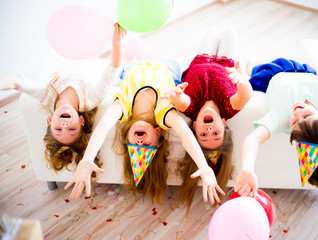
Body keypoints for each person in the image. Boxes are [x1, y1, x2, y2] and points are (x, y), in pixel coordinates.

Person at [64, 25, 225, 205]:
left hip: (133, 66)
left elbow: (103, 125)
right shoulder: (163, 112)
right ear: (157, 132)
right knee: (197, 61)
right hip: (169, 67)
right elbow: (184, 132)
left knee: (120, 69)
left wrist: (87, 159)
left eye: (136, 145)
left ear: (128, 137)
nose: (140, 142)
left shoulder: (124, 108)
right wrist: (203, 166)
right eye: (147, 145)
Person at [0, 23, 126, 178]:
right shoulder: (92, 99)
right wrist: (116, 41)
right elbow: (114, 66)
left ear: (50, 119)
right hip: (91, 54)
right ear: (81, 121)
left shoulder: (46, 96)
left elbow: (16, 82)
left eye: (58, 129)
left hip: (69, 49)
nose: (65, 126)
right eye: (71, 129)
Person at [234, 58, 318, 197]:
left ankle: (252, 68)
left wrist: (247, 169)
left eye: (294, 123)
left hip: (274, 74)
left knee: (254, 69)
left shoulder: (281, 118)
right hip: (305, 71)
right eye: (306, 116)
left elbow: (252, 140)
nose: (297, 113)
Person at [161, 29, 253, 208]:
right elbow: (245, 97)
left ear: (194, 126)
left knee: (210, 32)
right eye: (216, 133)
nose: (209, 131)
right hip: (227, 63)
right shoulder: (228, 107)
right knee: (231, 33)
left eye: (203, 135)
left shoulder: (191, 109)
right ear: (224, 123)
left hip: (200, 60)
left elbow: (182, 101)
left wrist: (176, 95)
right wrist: (243, 82)